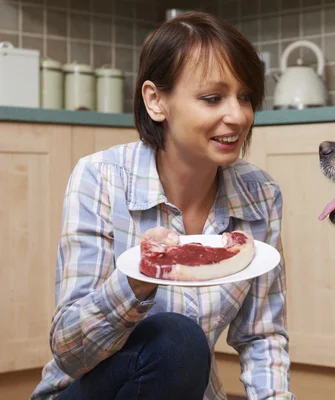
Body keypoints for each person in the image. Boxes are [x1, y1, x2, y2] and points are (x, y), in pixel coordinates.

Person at [31, 11, 294, 400]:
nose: (238, 116)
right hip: (85, 390)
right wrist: (135, 284)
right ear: (156, 101)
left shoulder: (260, 194)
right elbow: (69, 351)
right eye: (212, 98)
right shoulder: (100, 178)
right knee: (178, 342)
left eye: (246, 97)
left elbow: (262, 336)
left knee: (183, 350)